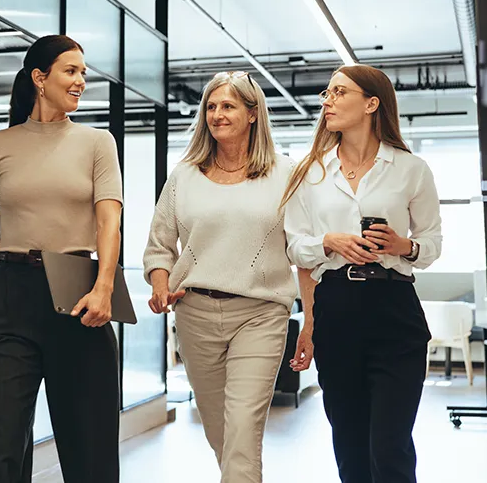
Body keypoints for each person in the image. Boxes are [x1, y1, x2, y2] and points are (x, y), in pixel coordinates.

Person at [0, 35, 123, 483]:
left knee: (88, 449)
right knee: (4, 446)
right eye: (72, 71)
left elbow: (109, 222)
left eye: (84, 72)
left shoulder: (97, 143)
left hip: (77, 291)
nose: (81, 81)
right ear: (39, 78)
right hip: (12, 294)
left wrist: (105, 285)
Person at [282, 64, 442, 483]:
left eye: (339, 92)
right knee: (350, 444)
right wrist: (328, 243)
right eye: (326, 94)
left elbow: (432, 244)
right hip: (336, 307)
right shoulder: (310, 173)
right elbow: (295, 246)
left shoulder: (411, 169)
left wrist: (401, 245)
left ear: (371, 104)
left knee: (389, 445)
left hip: (395, 309)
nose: (327, 101)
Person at [143, 71, 297, 483]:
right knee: (220, 432)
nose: (216, 114)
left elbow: (304, 248)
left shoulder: (284, 174)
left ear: (252, 113)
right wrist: (160, 282)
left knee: (243, 428)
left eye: (227, 106)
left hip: (261, 313)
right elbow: (160, 244)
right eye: (210, 107)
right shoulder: (184, 176)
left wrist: (314, 319)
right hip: (195, 315)